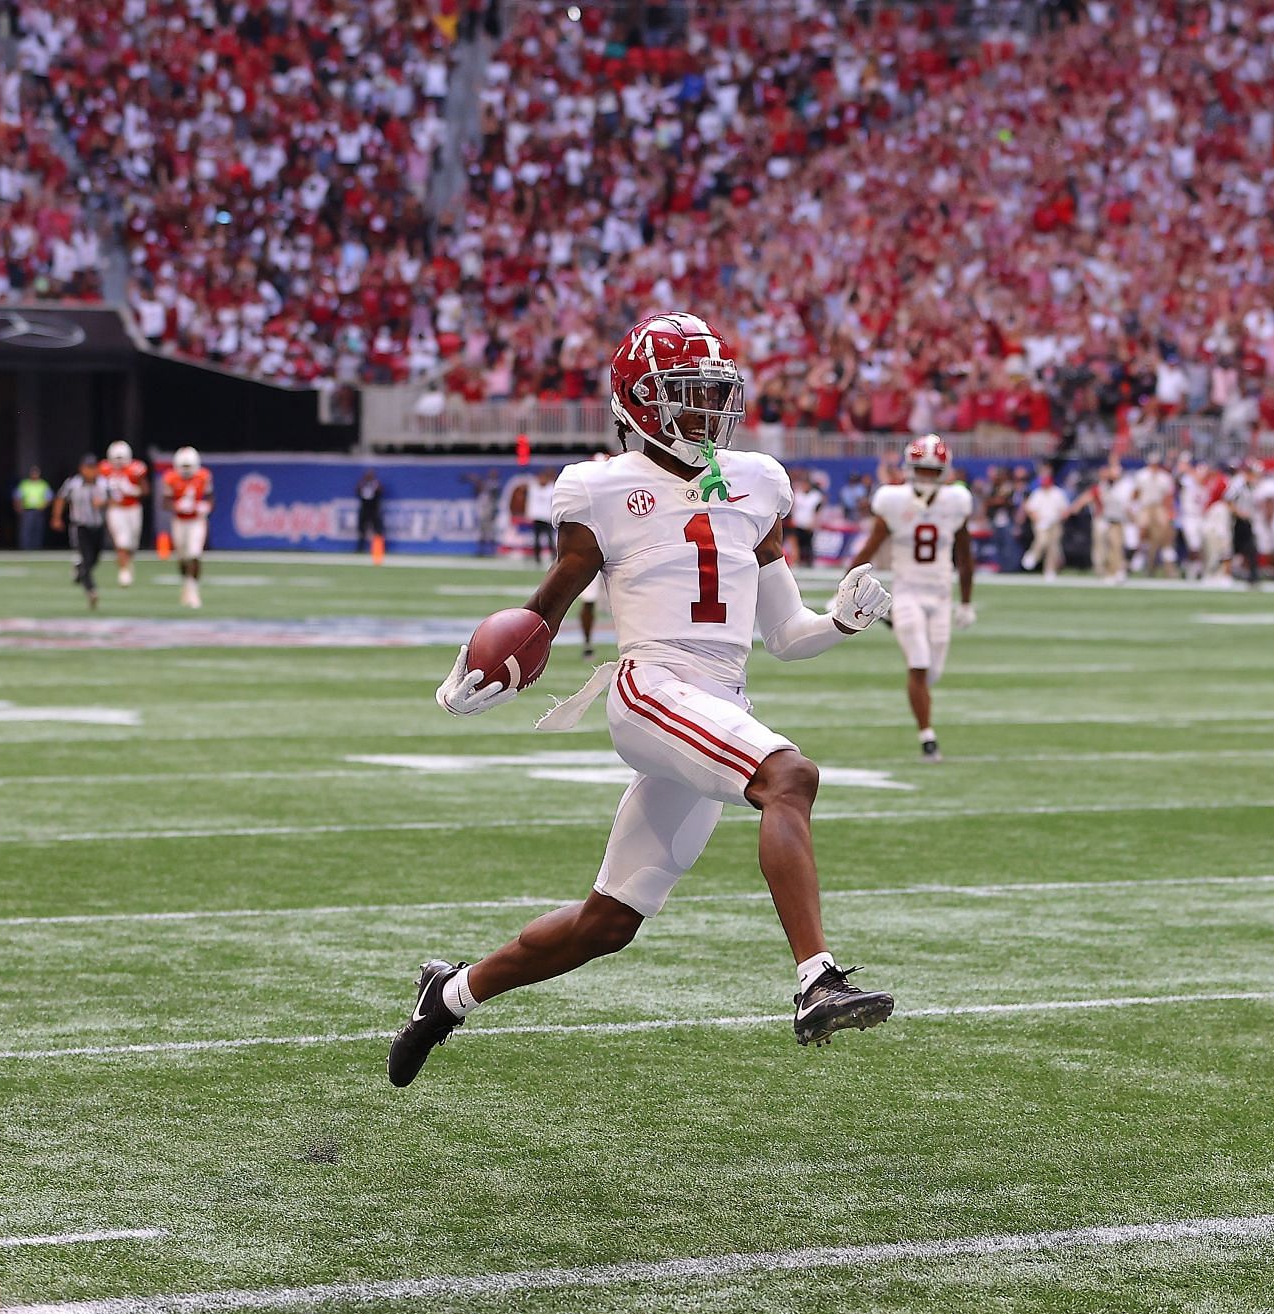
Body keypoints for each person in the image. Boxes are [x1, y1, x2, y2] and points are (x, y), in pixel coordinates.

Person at [390, 312, 895, 1088]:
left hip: (718, 701)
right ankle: (816, 982)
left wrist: (842, 620)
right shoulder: (602, 487)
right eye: (686, 394)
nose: (705, 410)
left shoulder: (755, 480)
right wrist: (480, 668)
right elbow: (544, 614)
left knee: (608, 922)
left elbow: (786, 634)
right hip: (651, 686)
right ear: (637, 403)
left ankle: (449, 995)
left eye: (710, 392)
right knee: (789, 776)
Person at [844, 435, 975, 762]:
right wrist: (846, 585)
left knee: (932, 672)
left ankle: (894, 624)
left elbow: (965, 555)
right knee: (918, 663)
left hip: (941, 595)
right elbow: (870, 546)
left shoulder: (955, 502)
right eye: (922, 469)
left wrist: (967, 602)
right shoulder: (894, 500)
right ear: (910, 468)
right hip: (907, 592)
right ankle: (928, 738)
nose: (927, 477)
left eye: (933, 471)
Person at [53, 454, 109, 609]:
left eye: (93, 467)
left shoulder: (104, 484)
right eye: (88, 468)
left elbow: (115, 500)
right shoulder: (73, 484)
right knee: (86, 558)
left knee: (95, 559)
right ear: (82, 469)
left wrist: (103, 503)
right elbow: (61, 498)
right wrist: (56, 517)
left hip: (97, 526)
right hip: (80, 526)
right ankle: (91, 590)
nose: (91, 471)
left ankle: (80, 571)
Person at [163, 446, 213, 608]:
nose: (185, 470)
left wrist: (205, 506)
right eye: (183, 466)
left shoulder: (204, 476)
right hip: (179, 521)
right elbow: (165, 502)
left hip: (196, 521)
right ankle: (187, 585)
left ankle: (193, 591)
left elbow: (211, 498)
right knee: (183, 558)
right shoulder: (170, 478)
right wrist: (177, 506)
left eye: (188, 466)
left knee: (194, 555)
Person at [99, 440, 150, 587]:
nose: (119, 462)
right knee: (122, 542)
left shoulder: (136, 469)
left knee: (132, 544)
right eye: (116, 459)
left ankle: (128, 564)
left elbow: (146, 490)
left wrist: (134, 490)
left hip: (133, 509)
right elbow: (99, 490)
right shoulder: (104, 469)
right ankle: (123, 572)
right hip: (115, 509)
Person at [1021, 468, 1069, 579]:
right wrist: (1037, 519)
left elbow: (1064, 509)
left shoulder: (1058, 493)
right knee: (1042, 541)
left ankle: (1050, 570)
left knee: (1053, 547)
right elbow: (1029, 509)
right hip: (1041, 523)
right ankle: (1033, 555)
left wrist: (1059, 518)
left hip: (1054, 523)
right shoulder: (1037, 493)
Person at [14, 467, 53, 551]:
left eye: (36, 473)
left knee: (38, 530)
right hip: (27, 510)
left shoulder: (43, 484)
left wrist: (43, 506)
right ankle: (25, 548)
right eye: (33, 473)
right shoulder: (25, 484)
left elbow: (49, 497)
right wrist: (19, 507)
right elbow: (17, 496)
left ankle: (36, 548)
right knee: (26, 530)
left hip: (39, 510)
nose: (34, 475)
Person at [527, 468, 556, 563]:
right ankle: (537, 558)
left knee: (550, 539)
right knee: (537, 539)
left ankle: (554, 557)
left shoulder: (551, 488)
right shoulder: (534, 488)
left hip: (547, 517)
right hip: (537, 517)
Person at [356, 470, 385, 554]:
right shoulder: (362, 484)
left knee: (378, 531)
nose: (369, 477)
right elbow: (357, 491)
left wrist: (377, 487)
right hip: (364, 509)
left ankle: (378, 550)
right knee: (361, 531)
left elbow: (380, 491)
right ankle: (360, 549)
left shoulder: (376, 484)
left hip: (374, 510)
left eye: (370, 475)